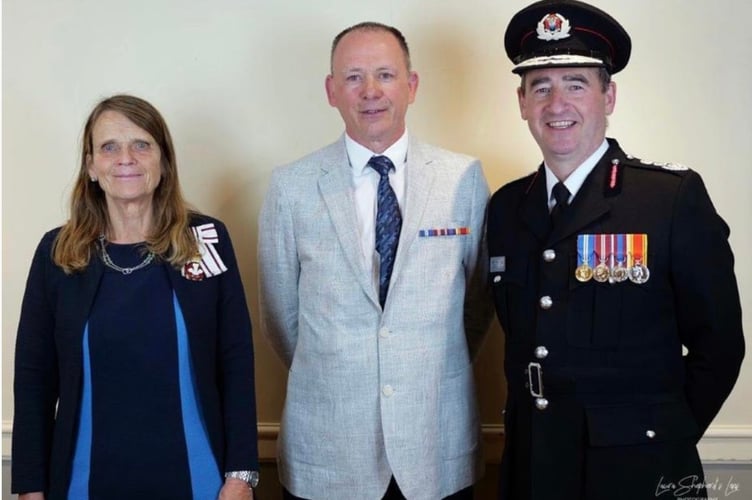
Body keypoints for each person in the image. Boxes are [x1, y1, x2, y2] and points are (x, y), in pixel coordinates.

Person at [487, 1, 745, 499]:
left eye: (576, 85)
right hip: (532, 466)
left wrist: (660, 438)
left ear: (609, 97)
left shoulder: (668, 199)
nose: (556, 104)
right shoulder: (505, 208)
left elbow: (720, 347)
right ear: (521, 102)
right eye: (541, 87)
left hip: (641, 472)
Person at [258, 21, 492, 500]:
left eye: (385, 75)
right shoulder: (291, 187)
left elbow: (478, 305)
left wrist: (419, 363)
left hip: (435, 444)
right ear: (331, 91)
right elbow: (281, 318)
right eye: (353, 77)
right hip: (328, 453)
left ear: (412, 85)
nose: (370, 92)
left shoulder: (462, 178)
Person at [11, 94, 260, 500]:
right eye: (109, 147)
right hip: (84, 482)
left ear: (163, 161)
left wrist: (242, 474)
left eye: (141, 144)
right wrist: (29, 487)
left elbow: (235, 360)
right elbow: (34, 379)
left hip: (201, 479)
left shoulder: (205, 239)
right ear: (91, 166)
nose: (125, 157)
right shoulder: (57, 252)